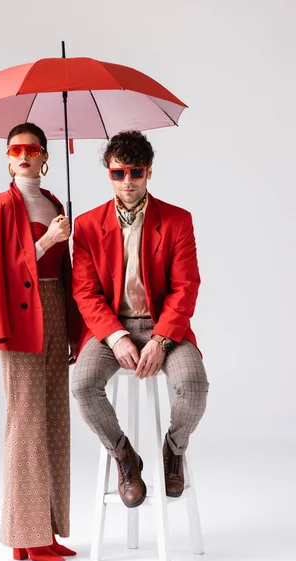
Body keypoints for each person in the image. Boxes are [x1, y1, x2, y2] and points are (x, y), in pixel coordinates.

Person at [71, 130, 209, 507]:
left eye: (136, 172)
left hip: (165, 325)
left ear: (149, 172)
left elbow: (186, 286)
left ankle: (173, 450)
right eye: (118, 173)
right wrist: (115, 336)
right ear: (108, 173)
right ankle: (124, 457)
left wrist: (162, 339)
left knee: (194, 384)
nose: (127, 181)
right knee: (82, 386)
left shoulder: (178, 221)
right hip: (109, 329)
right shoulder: (85, 226)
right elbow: (85, 292)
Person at [0, 122, 82, 561]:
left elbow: (69, 270)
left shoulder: (54, 202)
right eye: (15, 149)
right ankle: (25, 533)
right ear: (6, 157)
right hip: (21, 315)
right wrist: (48, 239)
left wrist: (76, 328)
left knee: (55, 419)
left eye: (32, 149)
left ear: (44, 156)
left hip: (55, 306)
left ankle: (46, 531)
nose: (23, 156)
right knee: (26, 421)